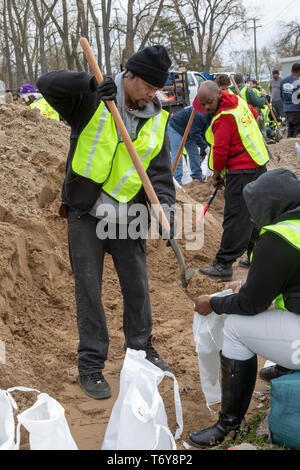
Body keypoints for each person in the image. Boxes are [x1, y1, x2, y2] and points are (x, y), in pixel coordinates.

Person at [37, 45, 176, 400]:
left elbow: (158, 172)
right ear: (129, 76)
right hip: (85, 211)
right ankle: (91, 365)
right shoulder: (89, 100)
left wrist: (166, 208)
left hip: (128, 214)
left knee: (137, 286)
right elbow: (46, 83)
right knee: (89, 290)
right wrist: (89, 83)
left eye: (156, 89)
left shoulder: (157, 116)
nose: (151, 94)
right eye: (148, 86)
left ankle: (141, 349)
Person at [189, 168, 300, 448]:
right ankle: (288, 366)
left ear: (272, 206)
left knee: (236, 326)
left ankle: (230, 424)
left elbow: (250, 305)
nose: (251, 216)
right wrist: (251, 288)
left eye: (256, 209)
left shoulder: (279, 237)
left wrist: (213, 303)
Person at [194, 81, 269, 281]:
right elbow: (253, 114)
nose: (208, 107)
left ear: (219, 93)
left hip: (243, 170)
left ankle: (224, 265)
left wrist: (217, 175)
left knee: (236, 216)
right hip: (258, 164)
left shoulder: (224, 117)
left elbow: (219, 153)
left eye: (209, 102)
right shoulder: (238, 102)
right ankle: (258, 257)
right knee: (254, 214)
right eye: (204, 105)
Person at [168, 106, 210, 184]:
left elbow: (204, 135)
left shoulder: (211, 117)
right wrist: (205, 148)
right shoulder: (200, 115)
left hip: (189, 129)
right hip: (176, 127)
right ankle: (177, 181)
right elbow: (195, 134)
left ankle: (197, 177)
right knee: (177, 156)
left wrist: (204, 153)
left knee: (194, 154)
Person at [280, 63, 300, 138]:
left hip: (287, 110)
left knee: (290, 130)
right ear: (299, 72)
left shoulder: (283, 81)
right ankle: (296, 148)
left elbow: (281, 95)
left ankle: (289, 148)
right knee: (297, 132)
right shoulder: (298, 82)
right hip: (297, 110)